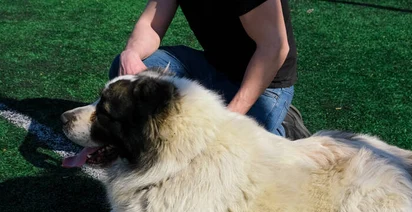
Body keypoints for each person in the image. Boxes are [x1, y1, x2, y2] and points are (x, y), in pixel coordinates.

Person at [109, 0, 311, 139]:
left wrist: (228, 119)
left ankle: (283, 130)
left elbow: (275, 47)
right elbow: (151, 25)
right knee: (127, 71)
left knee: (225, 153)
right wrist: (131, 54)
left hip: (266, 86)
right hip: (214, 67)